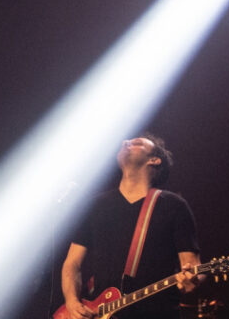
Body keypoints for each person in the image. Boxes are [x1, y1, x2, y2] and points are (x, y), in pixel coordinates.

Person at [60, 134, 201, 319]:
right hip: (100, 312)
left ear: (154, 160)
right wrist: (72, 302)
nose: (125, 142)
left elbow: (192, 266)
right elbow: (72, 263)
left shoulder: (174, 205)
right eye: (126, 142)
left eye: (136, 143)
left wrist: (191, 281)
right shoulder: (96, 205)